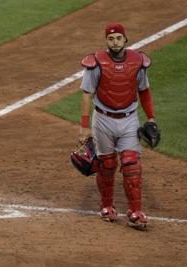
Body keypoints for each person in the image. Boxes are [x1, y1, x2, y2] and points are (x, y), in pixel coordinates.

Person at [79, 23, 157, 229]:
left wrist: (151, 118)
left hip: (129, 118)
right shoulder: (96, 63)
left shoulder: (137, 62)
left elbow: (145, 92)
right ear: (106, 41)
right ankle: (106, 206)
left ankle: (136, 210)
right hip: (103, 119)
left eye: (118, 38)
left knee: (132, 163)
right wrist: (85, 126)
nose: (115, 42)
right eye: (111, 39)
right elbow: (87, 94)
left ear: (125, 40)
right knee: (107, 164)